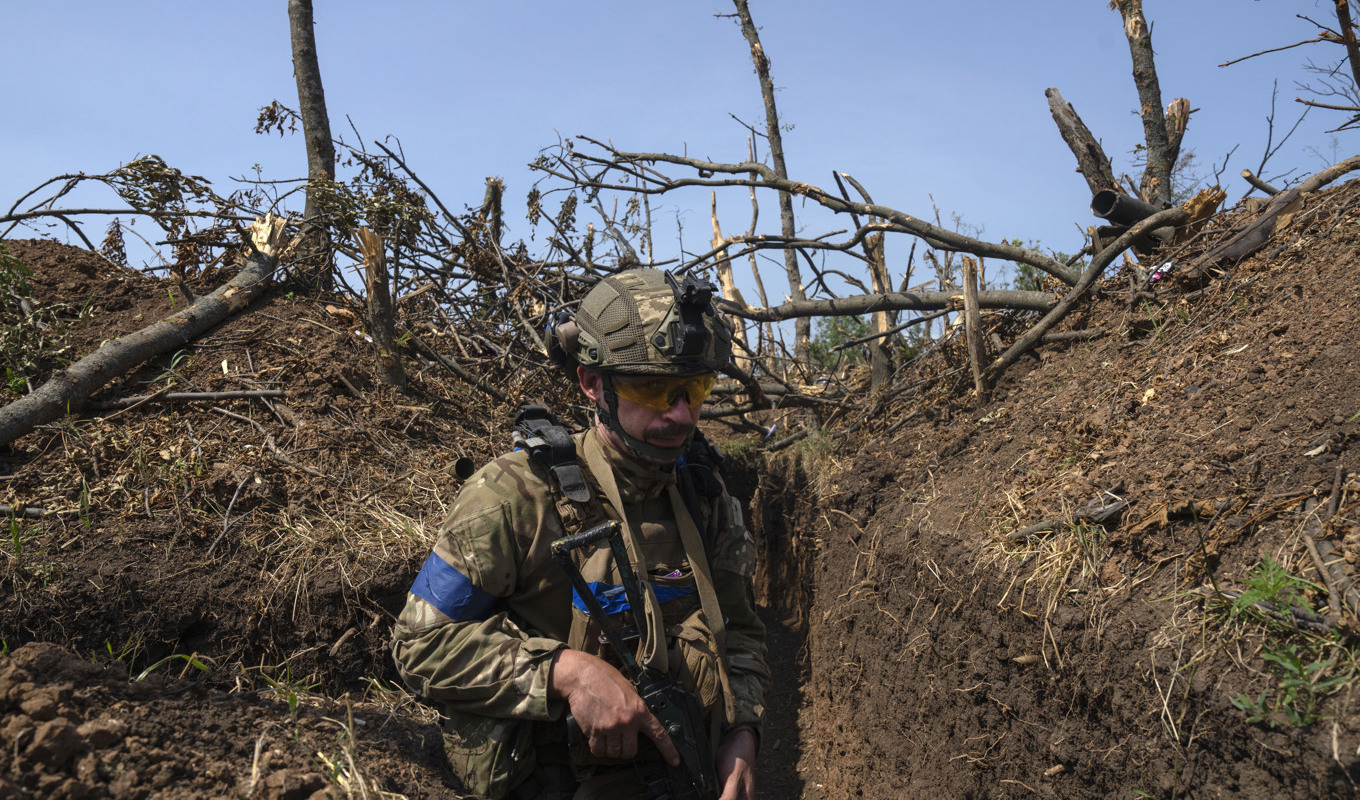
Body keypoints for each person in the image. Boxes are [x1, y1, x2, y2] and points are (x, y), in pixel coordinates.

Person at [391, 268, 771, 800]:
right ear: (593, 383)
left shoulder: (707, 499)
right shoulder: (513, 495)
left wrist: (743, 735)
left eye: (697, 387)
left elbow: (742, 635)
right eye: (655, 389)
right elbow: (419, 645)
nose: (682, 412)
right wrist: (564, 672)